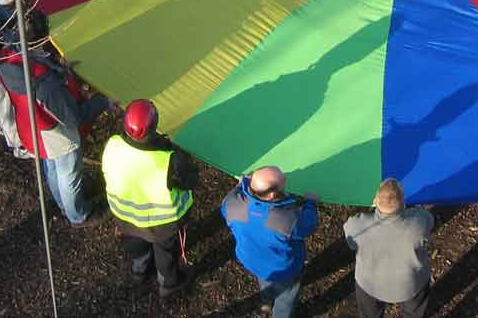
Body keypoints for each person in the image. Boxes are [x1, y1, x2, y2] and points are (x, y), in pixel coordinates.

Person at [0, 11, 108, 226]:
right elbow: (75, 116)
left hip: (31, 127)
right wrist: (102, 101)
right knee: (68, 173)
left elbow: (39, 69)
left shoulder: (10, 57)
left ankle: (62, 204)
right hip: (54, 134)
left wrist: (60, 69)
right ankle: (78, 215)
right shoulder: (45, 83)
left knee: (52, 167)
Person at [102, 99, 199, 298]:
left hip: (125, 216)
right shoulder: (169, 160)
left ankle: (140, 271)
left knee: (136, 245)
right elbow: (190, 180)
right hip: (161, 224)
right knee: (164, 252)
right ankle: (169, 284)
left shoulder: (113, 145)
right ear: (154, 126)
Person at [222, 166, 319, 318]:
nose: (286, 178)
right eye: (283, 180)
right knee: (286, 297)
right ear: (272, 194)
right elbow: (308, 226)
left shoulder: (232, 206)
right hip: (284, 268)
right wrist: (310, 203)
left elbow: (227, 201)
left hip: (252, 260)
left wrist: (241, 185)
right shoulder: (286, 219)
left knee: (265, 280)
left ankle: (266, 302)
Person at [344, 179, 434, 318]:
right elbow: (429, 218)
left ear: (375, 200)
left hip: (370, 284)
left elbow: (351, 242)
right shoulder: (418, 224)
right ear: (403, 203)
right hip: (409, 285)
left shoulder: (357, 225)